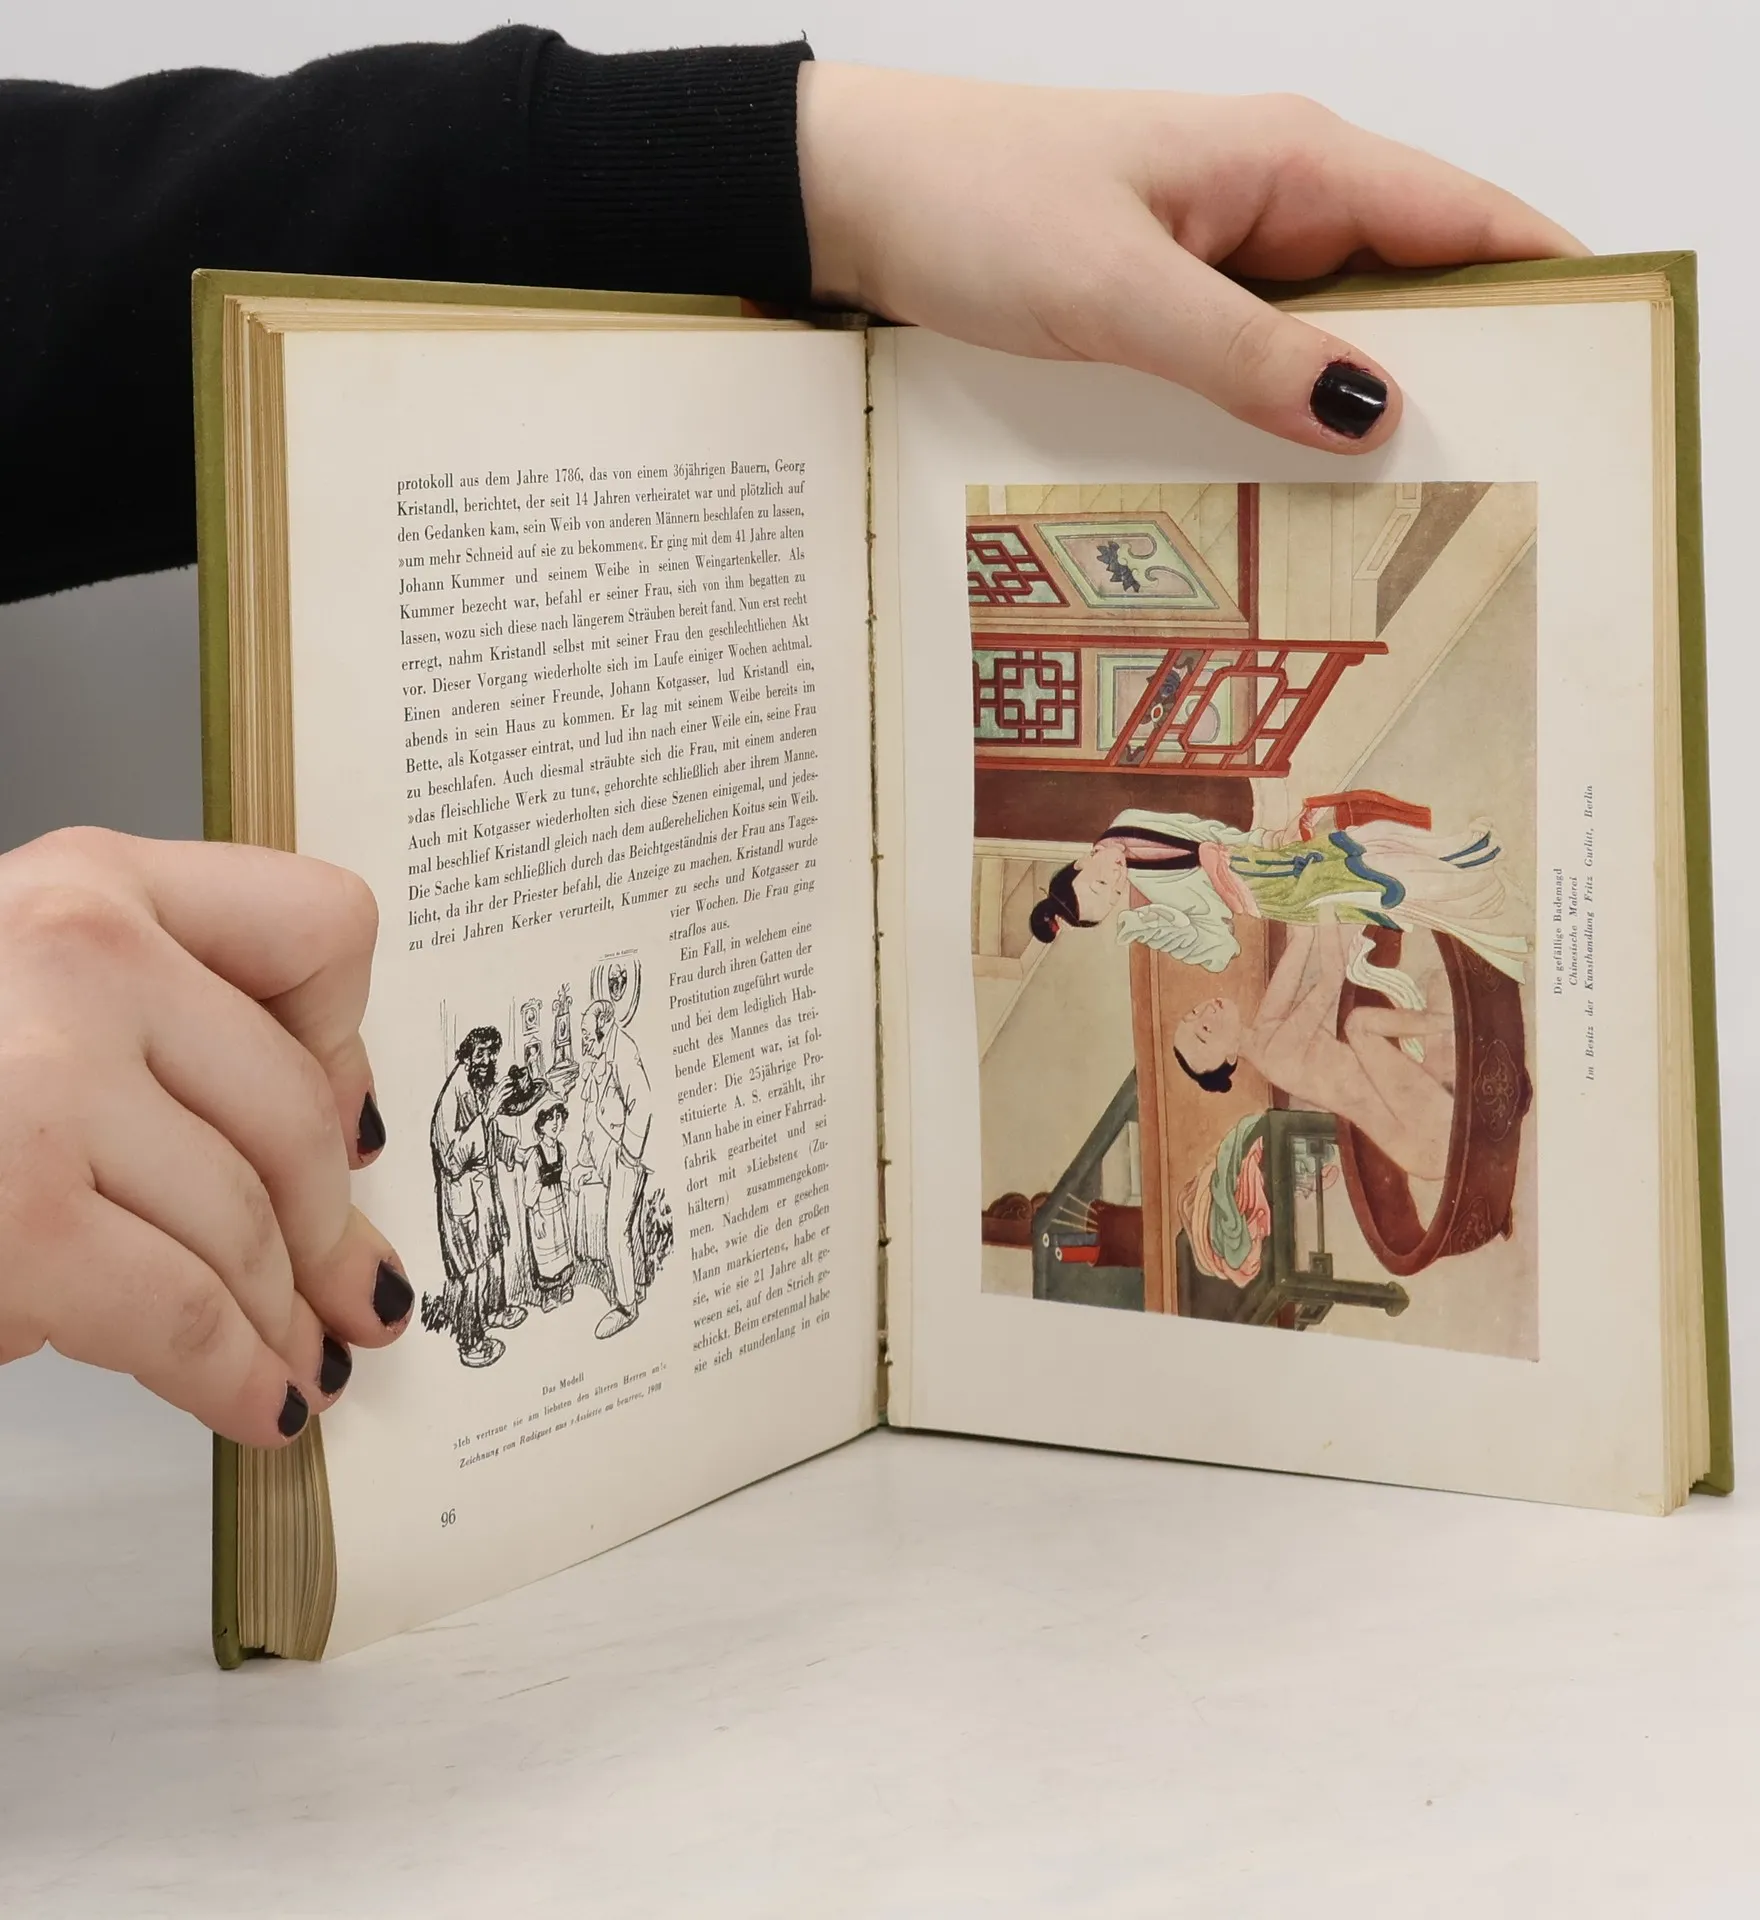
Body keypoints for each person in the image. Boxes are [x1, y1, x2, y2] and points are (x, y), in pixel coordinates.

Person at [0, 31, 1583, 1448]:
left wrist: (807, 168)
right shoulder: (1174, 888)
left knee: (1287, 1017)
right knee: (1277, 1030)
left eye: (1096, 888)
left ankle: (1433, 1111)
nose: (1102, 888)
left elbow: (69, 262)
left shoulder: (1177, 883)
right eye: (1099, 887)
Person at [1030, 805, 1530, 992]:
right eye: (1114, 896)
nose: (1118, 884)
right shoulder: (1155, 895)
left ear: (1081, 862)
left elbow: (1203, 831)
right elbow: (1220, 950)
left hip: (1266, 857)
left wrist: (1268, 838)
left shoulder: (1126, 822)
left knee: (1369, 838)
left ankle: (1467, 852)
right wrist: (1158, 926)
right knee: (1380, 877)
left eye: (1100, 884)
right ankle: (1482, 899)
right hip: (1273, 891)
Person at [1172, 911, 1458, 1183]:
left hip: (1417, 1111)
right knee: (1358, 1026)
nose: (1207, 1012)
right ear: (1229, 1057)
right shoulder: (1274, 1054)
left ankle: (1448, 1024)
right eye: (1205, 1030)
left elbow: (1303, 938)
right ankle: (1449, 1023)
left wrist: (1305, 898)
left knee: (1439, 984)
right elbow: (1332, 978)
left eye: (1194, 1012)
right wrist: (1326, 906)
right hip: (1423, 1136)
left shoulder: (1263, 1028)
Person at [428, 1026, 529, 1369]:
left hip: (485, 1195)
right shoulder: (452, 1094)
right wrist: (487, 1115)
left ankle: (496, 1309)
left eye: (491, 1053)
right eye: (480, 1053)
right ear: (466, 1056)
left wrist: (515, 1151)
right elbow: (451, 1158)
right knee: (470, 1269)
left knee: (495, 1250)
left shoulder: (478, 1087)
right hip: (463, 1202)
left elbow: (491, 1134)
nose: (486, 1060)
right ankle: (471, 1342)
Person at [577, 1000, 655, 1341]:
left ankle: (626, 1307)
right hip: (610, 1155)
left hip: (624, 1156)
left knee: (615, 1234)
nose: (583, 1040)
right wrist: (585, 1160)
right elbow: (592, 1111)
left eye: (586, 1033)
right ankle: (637, 1285)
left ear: (604, 1025)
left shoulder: (624, 1050)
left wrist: (629, 1152)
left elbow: (643, 1102)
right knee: (628, 1227)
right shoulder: (601, 1054)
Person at [524, 1102, 576, 1311]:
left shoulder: (561, 1149)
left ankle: (565, 1285)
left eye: (559, 1117)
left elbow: (565, 1176)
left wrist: (569, 1191)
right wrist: (535, 1214)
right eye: (550, 1118)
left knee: (561, 1247)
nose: (555, 1123)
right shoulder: (535, 1155)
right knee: (544, 1251)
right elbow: (531, 1187)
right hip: (542, 1209)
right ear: (540, 1124)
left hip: (558, 1205)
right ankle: (547, 1295)